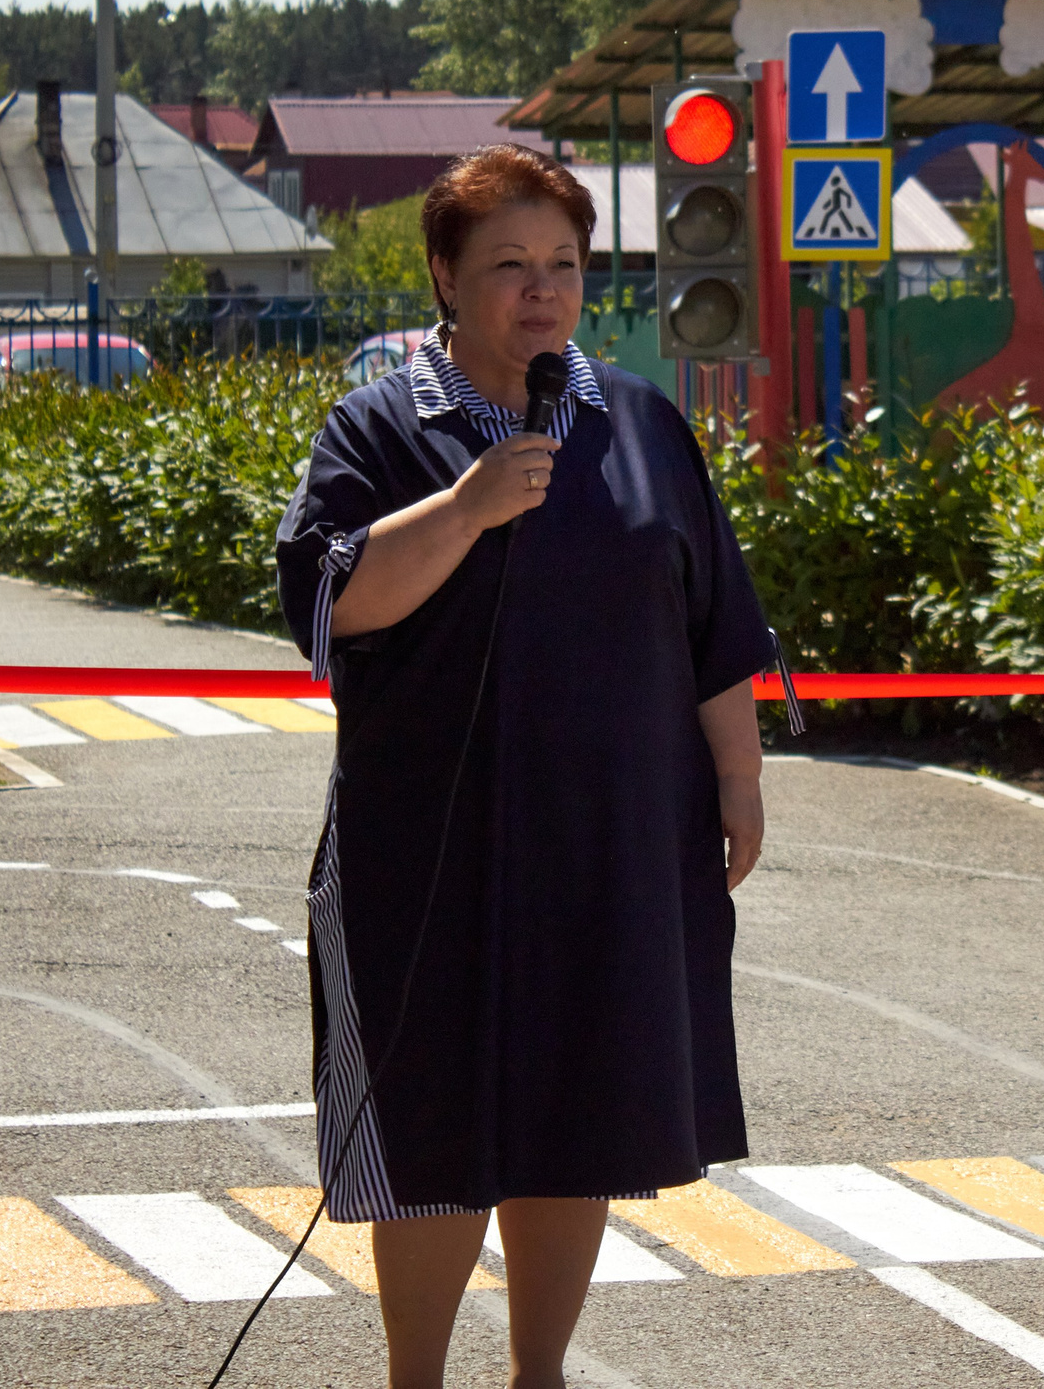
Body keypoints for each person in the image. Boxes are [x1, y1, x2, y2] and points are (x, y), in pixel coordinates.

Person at [276, 144, 779, 1389]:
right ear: (446, 278)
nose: (541, 292)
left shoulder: (642, 422)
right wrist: (468, 506)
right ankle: (417, 1378)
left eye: (561, 263)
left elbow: (708, 619)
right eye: (508, 266)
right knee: (440, 1118)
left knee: (578, 1115)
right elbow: (334, 602)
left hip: (612, 842)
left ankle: (540, 1371)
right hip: (430, 853)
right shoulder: (383, 427)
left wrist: (738, 776)